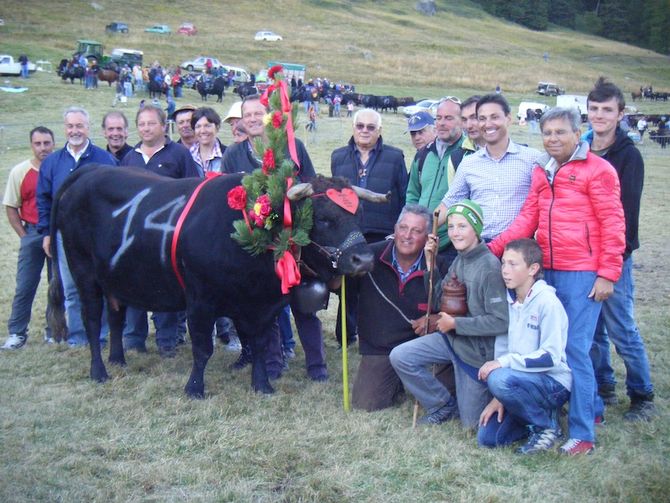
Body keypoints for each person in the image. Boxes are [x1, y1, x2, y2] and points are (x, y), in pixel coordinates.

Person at [488, 106, 626, 455]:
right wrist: (493, 248)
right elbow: (527, 219)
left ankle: (582, 434)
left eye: (560, 132)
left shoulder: (598, 171)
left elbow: (613, 223)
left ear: (578, 135)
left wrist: (608, 273)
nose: (553, 139)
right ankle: (591, 410)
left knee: (574, 350)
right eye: (547, 132)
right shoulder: (544, 173)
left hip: (583, 271)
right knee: (567, 346)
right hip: (549, 268)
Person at [222, 95, 327, 381]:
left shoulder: (293, 147)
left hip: (294, 241)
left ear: (268, 116)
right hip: (258, 244)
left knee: (304, 305)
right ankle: (272, 363)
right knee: (266, 307)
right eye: (248, 114)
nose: (253, 118)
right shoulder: (233, 155)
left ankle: (317, 367)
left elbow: (311, 188)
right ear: (241, 120)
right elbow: (230, 200)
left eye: (259, 113)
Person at [390, 199, 508, 428]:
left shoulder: (489, 267)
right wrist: (429, 263)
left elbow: (501, 321)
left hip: (475, 353)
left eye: (462, 226)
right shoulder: (459, 261)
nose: (455, 233)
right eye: (451, 226)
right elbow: (437, 301)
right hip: (451, 341)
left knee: (472, 425)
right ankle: (441, 404)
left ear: (476, 229)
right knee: (401, 356)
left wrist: (456, 324)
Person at [585, 78, 656, 422]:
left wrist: (612, 265)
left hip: (614, 257)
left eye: (607, 110)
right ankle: (604, 385)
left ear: (621, 113)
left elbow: (626, 216)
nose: (599, 116)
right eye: (594, 109)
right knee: (593, 329)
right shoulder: (580, 149)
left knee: (621, 328)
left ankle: (642, 395)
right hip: (582, 255)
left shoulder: (628, 157)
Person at [350, 204, 449, 411]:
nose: (407, 236)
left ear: (429, 236)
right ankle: (394, 382)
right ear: (394, 229)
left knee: (441, 399)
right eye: (403, 228)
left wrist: (438, 318)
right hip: (381, 347)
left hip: (422, 348)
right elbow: (338, 286)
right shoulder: (369, 257)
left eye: (417, 231)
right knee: (365, 404)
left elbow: (455, 310)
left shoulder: (440, 265)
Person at [478, 239, 571, 454]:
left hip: (552, 383)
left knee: (498, 377)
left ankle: (546, 427)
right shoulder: (508, 301)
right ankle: (535, 418)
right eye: (503, 263)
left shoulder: (547, 302)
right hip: (517, 382)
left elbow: (551, 357)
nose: (505, 271)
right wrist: (498, 396)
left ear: (533, 269)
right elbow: (502, 347)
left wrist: (503, 368)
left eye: (513, 264)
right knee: (488, 438)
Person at [120, 104, 200, 357]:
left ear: (163, 126)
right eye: (141, 124)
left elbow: (192, 191)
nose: (145, 128)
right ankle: (134, 338)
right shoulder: (130, 157)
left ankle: (167, 340)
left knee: (164, 286)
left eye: (151, 123)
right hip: (133, 237)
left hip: (167, 235)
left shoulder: (178, 154)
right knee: (132, 284)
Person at [36, 107, 118, 347]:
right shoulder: (52, 163)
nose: (75, 131)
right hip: (64, 235)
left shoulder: (104, 159)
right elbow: (44, 200)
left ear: (88, 128)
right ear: (65, 129)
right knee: (71, 286)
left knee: (100, 284)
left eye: (79, 125)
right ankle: (78, 337)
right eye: (70, 126)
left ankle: (100, 336)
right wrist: (46, 233)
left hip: (97, 235)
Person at [331, 108, 408, 346]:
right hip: (350, 233)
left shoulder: (395, 157)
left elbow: (403, 195)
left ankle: (375, 335)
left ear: (379, 131)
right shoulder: (338, 156)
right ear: (353, 128)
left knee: (378, 287)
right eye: (360, 126)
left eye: (371, 127)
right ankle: (345, 335)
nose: (365, 131)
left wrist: (398, 229)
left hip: (381, 231)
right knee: (349, 285)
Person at [436, 94, 541, 241]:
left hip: (517, 252)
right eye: (482, 119)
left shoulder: (533, 159)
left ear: (508, 119)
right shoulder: (468, 164)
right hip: (479, 251)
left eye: (494, 117)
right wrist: (422, 229)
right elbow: (449, 203)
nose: (488, 124)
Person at [1, 127, 56, 349]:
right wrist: (24, 236)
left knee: (57, 284)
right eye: (38, 143)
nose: (43, 148)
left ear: (53, 143)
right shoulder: (20, 172)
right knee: (25, 285)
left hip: (57, 233)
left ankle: (54, 330)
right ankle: (17, 332)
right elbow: (11, 207)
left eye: (47, 143)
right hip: (33, 232)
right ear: (31, 145)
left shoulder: (59, 168)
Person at [406, 97, 464, 266]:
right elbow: (412, 194)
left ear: (462, 121)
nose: (441, 123)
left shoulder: (467, 155)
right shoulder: (423, 154)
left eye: (448, 118)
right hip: (420, 241)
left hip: (452, 245)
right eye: (438, 118)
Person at [189, 107, 227, 176]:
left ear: (217, 127)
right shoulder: (187, 156)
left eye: (207, 126)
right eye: (198, 126)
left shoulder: (227, 154)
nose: (203, 131)